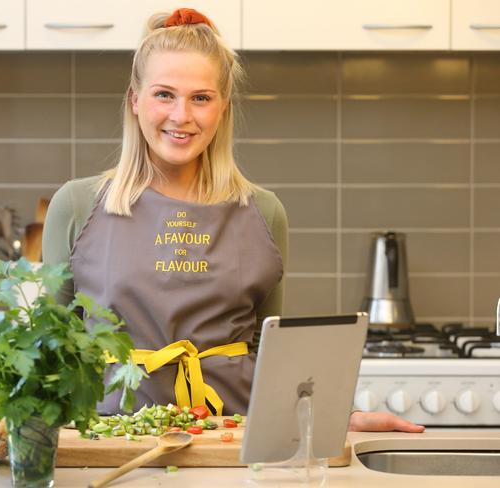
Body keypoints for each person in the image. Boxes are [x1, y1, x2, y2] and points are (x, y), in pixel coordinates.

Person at [43, 8, 424, 434]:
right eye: (164, 94)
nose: (181, 115)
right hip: (108, 440)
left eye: (200, 98)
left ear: (222, 107)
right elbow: (50, 348)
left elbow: (268, 353)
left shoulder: (263, 212)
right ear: (135, 100)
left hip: (231, 443)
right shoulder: (77, 205)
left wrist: (342, 414)